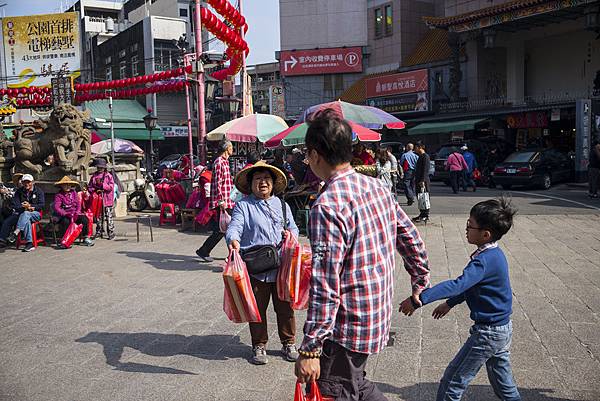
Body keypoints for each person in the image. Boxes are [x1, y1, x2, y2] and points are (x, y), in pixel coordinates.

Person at [294, 110, 431, 401]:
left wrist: (310, 347)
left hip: (345, 327)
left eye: (308, 155)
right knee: (354, 383)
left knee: (335, 389)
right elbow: (410, 237)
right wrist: (420, 279)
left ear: (316, 155)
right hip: (375, 314)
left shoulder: (326, 206)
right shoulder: (376, 187)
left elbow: (325, 285)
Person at [400, 197, 520, 401]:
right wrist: (450, 303)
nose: (466, 228)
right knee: (503, 384)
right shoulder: (494, 254)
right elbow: (472, 287)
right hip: (501, 329)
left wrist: (419, 299)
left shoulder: (483, 261)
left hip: (488, 333)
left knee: (452, 381)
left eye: (469, 225)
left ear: (485, 234)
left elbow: (459, 284)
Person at [226, 161, 300, 365]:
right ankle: (259, 345)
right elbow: (234, 227)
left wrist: (290, 234)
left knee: (285, 307)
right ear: (251, 184)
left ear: (273, 182)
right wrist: (233, 241)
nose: (262, 182)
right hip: (256, 267)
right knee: (257, 308)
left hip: (282, 265)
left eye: (266, 178)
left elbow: (294, 228)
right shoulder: (243, 206)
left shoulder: (283, 205)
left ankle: (289, 342)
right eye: (257, 179)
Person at [195, 140, 235, 262]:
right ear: (226, 148)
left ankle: (205, 250)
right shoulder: (219, 162)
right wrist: (221, 201)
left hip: (227, 200)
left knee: (224, 229)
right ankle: (232, 255)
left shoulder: (225, 162)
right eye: (231, 147)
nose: (232, 149)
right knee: (226, 229)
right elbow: (218, 183)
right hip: (222, 202)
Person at [0, 174, 45, 252]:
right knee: (9, 220)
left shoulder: (39, 191)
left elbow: (41, 205)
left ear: (33, 182)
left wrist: (30, 206)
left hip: (35, 213)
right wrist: (23, 206)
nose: (27, 184)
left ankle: (16, 232)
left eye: (29, 182)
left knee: (26, 214)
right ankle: (3, 240)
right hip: (21, 212)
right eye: (25, 182)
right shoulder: (19, 191)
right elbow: (15, 205)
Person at [52, 176, 94, 248]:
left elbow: (78, 204)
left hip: (75, 213)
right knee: (66, 222)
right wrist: (66, 213)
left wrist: (77, 212)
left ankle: (85, 237)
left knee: (85, 219)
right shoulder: (59, 195)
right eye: (65, 185)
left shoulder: (74, 192)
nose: (67, 186)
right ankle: (65, 240)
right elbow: (57, 207)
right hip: (65, 214)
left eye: (69, 184)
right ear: (61, 186)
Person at [88, 158, 115, 240]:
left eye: (101, 167)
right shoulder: (94, 176)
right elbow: (90, 187)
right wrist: (94, 190)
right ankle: (99, 231)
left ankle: (111, 232)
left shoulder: (109, 176)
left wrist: (102, 185)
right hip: (98, 199)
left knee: (109, 216)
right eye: (98, 167)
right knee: (98, 217)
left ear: (104, 168)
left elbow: (111, 187)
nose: (100, 169)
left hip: (107, 199)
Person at [413, 141, 431, 223]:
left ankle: (425, 214)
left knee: (425, 197)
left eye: (415, 147)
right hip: (419, 180)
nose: (414, 149)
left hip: (423, 181)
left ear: (420, 147)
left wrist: (422, 180)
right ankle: (422, 213)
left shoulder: (425, 156)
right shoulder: (420, 156)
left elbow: (425, 169)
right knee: (420, 197)